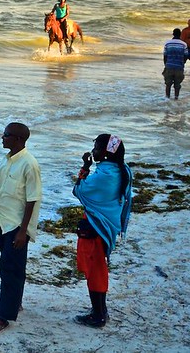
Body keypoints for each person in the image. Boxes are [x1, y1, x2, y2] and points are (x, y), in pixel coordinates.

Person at [0, 122, 42, 335]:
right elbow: (0, 192)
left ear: (18, 139)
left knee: (9, 268)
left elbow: (33, 199)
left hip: (16, 225)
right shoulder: (6, 161)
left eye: (6, 135)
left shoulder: (29, 164)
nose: (2, 137)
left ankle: (3, 316)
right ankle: (15, 301)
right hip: (2, 221)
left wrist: (23, 231)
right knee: (12, 266)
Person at [72, 134, 133, 328]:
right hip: (106, 225)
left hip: (96, 227)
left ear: (106, 153)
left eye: (97, 148)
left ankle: (98, 316)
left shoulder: (104, 176)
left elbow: (78, 190)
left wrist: (85, 168)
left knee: (95, 272)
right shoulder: (122, 170)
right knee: (98, 268)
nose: (93, 151)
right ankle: (101, 311)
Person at [163, 28, 189, 99]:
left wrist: (166, 65)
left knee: (168, 84)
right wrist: (182, 63)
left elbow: (165, 56)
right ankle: (176, 98)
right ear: (180, 35)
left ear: (173, 34)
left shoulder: (167, 43)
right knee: (177, 85)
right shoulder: (184, 44)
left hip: (169, 66)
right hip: (179, 67)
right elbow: (186, 55)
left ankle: (167, 98)